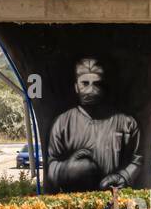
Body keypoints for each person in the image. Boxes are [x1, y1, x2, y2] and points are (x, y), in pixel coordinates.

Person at [46, 58, 142, 193]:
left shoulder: (126, 123)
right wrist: (66, 169)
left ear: (104, 87)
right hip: (74, 203)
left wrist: (124, 177)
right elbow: (51, 163)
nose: (91, 90)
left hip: (115, 200)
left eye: (96, 84)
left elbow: (138, 159)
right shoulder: (62, 123)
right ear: (76, 87)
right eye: (85, 83)